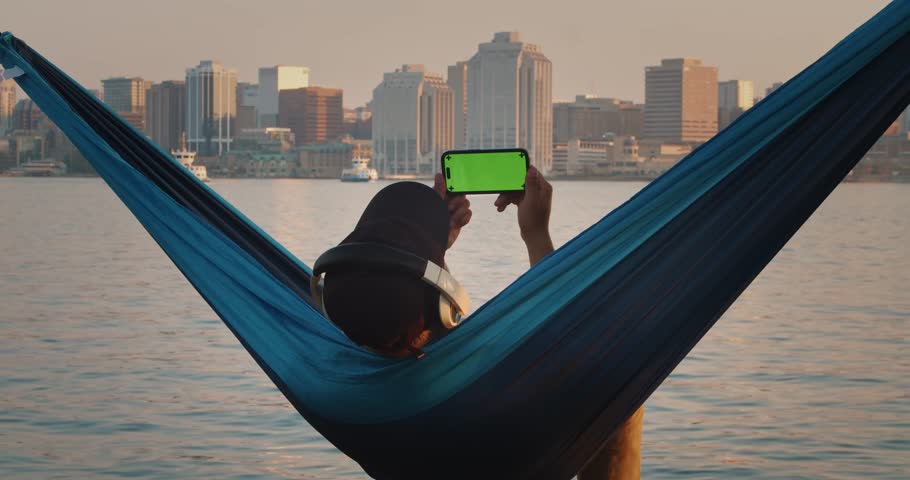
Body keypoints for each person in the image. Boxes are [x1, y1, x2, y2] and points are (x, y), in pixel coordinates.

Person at [313, 166, 643, 479]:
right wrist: (536, 233)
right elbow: (576, 343)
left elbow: (415, 328)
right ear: (445, 305)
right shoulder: (497, 398)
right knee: (618, 373)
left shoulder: (333, 391)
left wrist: (435, 246)